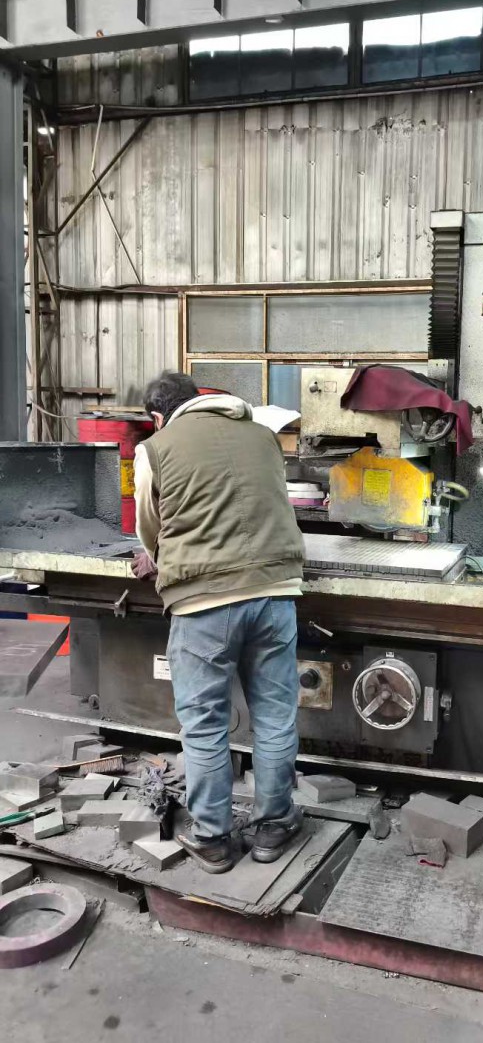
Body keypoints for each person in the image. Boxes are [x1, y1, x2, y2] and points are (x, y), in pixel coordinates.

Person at [132, 372, 306, 874]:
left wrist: (158, 555)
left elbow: (149, 523)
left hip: (202, 602)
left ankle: (211, 838)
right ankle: (274, 826)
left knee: (205, 723)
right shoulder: (261, 434)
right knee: (275, 716)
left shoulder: (155, 448)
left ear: (159, 417)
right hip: (274, 593)